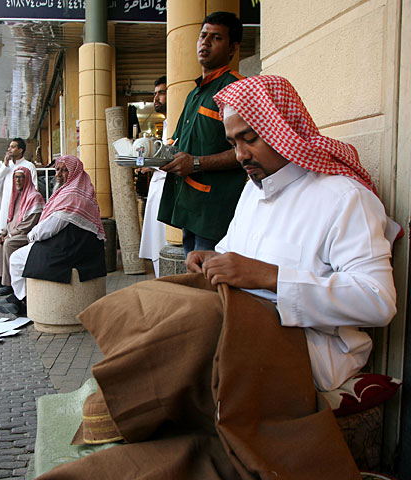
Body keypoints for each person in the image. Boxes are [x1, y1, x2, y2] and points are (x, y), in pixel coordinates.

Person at [36, 75, 398, 479]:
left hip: (313, 346)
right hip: (242, 318)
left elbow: (378, 301)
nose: (241, 155)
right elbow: (232, 251)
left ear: (284, 130)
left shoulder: (345, 198)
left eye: (250, 139)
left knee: (198, 326)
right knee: (154, 297)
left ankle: (126, 413)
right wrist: (211, 258)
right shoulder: (253, 191)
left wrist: (268, 276)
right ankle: (132, 409)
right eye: (233, 143)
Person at [158, 11, 247, 257]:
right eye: (203, 35)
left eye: (215, 38)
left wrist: (196, 163)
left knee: (207, 281)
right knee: (192, 276)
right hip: (189, 204)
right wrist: (157, 158)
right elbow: (180, 143)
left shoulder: (237, 89)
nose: (205, 42)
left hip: (215, 210)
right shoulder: (194, 93)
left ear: (232, 48)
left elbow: (246, 152)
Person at [0, 155, 107, 315]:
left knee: (16, 258)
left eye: (64, 170)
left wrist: (32, 236)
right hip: (76, 245)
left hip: (70, 249)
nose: (58, 174)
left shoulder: (72, 195)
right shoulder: (80, 191)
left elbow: (50, 227)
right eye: (57, 170)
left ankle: (23, 300)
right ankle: (20, 297)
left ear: (74, 173)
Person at [0, 166, 43, 295]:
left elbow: (29, 223)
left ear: (27, 179)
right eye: (15, 177)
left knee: (9, 243)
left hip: (27, 234)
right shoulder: (17, 196)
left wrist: (9, 235)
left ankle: (9, 284)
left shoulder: (34, 196)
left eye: (21, 177)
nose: (17, 180)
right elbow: (11, 220)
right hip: (14, 232)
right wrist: (4, 232)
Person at [138, 75, 168, 277]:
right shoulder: (166, 124)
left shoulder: (177, 121)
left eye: (162, 93)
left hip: (168, 191)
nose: (156, 98)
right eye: (155, 94)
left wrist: (152, 165)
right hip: (157, 190)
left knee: (165, 244)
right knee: (157, 246)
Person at [0, 138, 38, 235]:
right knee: (2, 233)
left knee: (16, 233)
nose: (9, 149)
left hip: (21, 205)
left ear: (20, 150)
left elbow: (34, 187)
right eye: (9, 147)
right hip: (6, 204)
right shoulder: (7, 165)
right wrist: (5, 165)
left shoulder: (29, 166)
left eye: (13, 147)